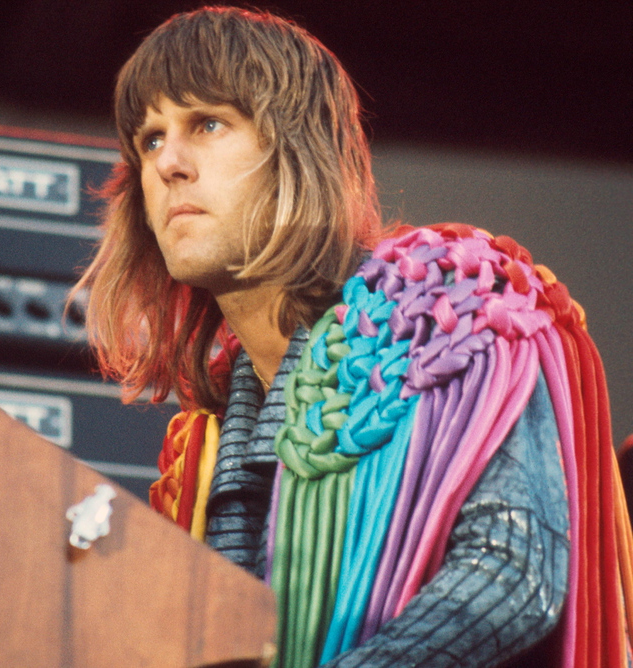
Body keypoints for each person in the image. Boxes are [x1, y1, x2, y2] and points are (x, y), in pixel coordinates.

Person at [72, 6, 633, 668]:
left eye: (210, 123)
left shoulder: (454, 309)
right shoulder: (199, 447)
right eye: (151, 139)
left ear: (297, 148)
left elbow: (513, 572)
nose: (169, 163)